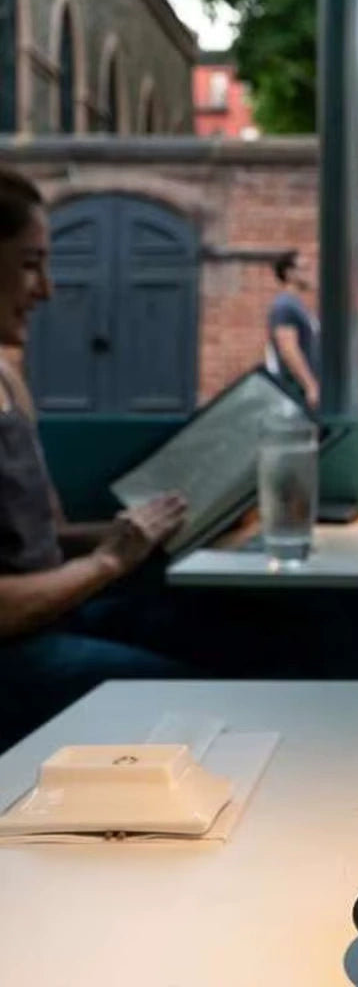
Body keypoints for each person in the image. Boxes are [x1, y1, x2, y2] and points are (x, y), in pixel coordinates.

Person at [0, 165, 204, 745]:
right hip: (14, 651)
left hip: (58, 614)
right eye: (30, 264)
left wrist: (145, 532)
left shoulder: (8, 379)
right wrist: (109, 563)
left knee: (254, 632)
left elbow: (46, 537)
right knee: (200, 696)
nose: (48, 290)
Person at [265, 250, 320, 410]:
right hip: (293, 391)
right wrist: (310, 386)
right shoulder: (285, 306)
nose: (311, 274)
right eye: (305, 268)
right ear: (290, 274)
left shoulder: (297, 305)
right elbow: (288, 349)